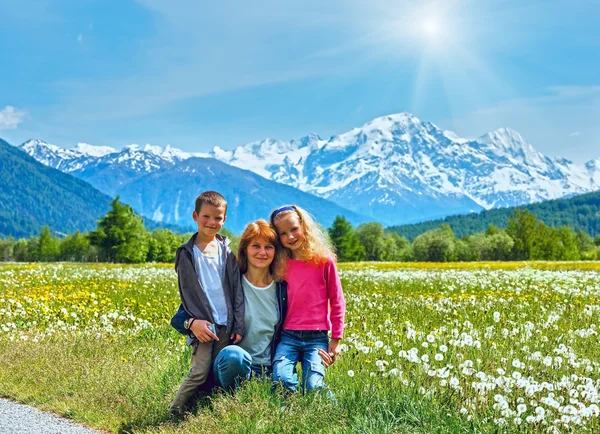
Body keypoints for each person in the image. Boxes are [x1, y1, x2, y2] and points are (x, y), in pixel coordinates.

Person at [172, 219, 290, 392]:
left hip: (270, 368)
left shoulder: (282, 290)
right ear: (245, 249)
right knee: (234, 356)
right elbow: (179, 318)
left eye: (269, 247)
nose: (262, 252)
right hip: (232, 366)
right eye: (256, 246)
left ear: (276, 251)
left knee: (294, 399)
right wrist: (191, 323)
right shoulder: (229, 284)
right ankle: (228, 396)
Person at [169, 191, 244, 417]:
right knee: (199, 371)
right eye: (206, 217)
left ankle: (211, 410)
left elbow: (237, 292)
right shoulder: (187, 253)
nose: (212, 222)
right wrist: (193, 322)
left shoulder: (227, 252)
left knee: (217, 371)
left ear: (224, 220)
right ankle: (176, 409)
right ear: (195, 216)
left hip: (226, 324)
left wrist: (238, 325)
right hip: (204, 325)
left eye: (218, 218)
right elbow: (187, 293)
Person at [269, 204, 345, 394]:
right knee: (281, 379)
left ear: (304, 226)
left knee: (313, 386)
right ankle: (290, 408)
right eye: (283, 234)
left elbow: (337, 301)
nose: (290, 237)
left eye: (294, 229)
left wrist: (335, 339)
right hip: (287, 336)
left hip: (317, 336)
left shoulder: (324, 261)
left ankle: (333, 412)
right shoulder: (280, 264)